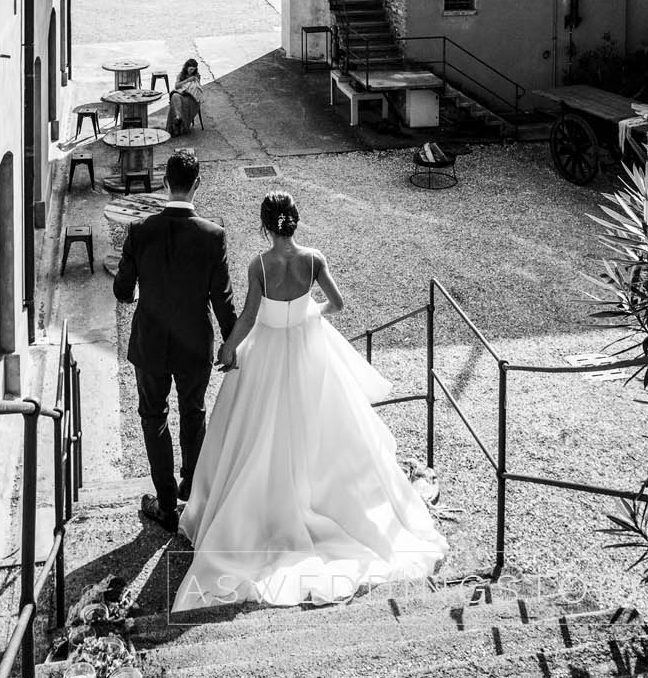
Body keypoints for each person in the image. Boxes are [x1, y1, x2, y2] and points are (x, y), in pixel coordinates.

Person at [174, 192, 447, 608]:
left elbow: (248, 317)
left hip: (265, 353)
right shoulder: (314, 259)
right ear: (295, 222)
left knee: (254, 432)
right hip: (307, 352)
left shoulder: (260, 265)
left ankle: (253, 514)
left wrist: (229, 349)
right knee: (323, 429)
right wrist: (306, 314)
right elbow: (337, 304)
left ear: (265, 226)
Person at [113, 149, 235, 532]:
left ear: (165, 183)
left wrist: (138, 291)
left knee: (153, 418)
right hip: (194, 344)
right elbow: (223, 301)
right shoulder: (214, 237)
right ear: (197, 183)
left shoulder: (139, 231)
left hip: (150, 343)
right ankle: (191, 490)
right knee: (193, 413)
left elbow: (121, 290)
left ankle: (165, 504)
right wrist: (232, 344)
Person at [171, 58, 204, 135]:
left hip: (192, 98)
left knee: (178, 102)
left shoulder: (196, 75)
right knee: (175, 96)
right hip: (182, 95)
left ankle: (181, 125)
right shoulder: (181, 75)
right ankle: (178, 117)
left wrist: (195, 80)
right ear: (186, 67)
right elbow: (176, 86)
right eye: (191, 69)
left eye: (193, 70)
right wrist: (188, 80)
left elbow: (197, 88)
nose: (192, 71)